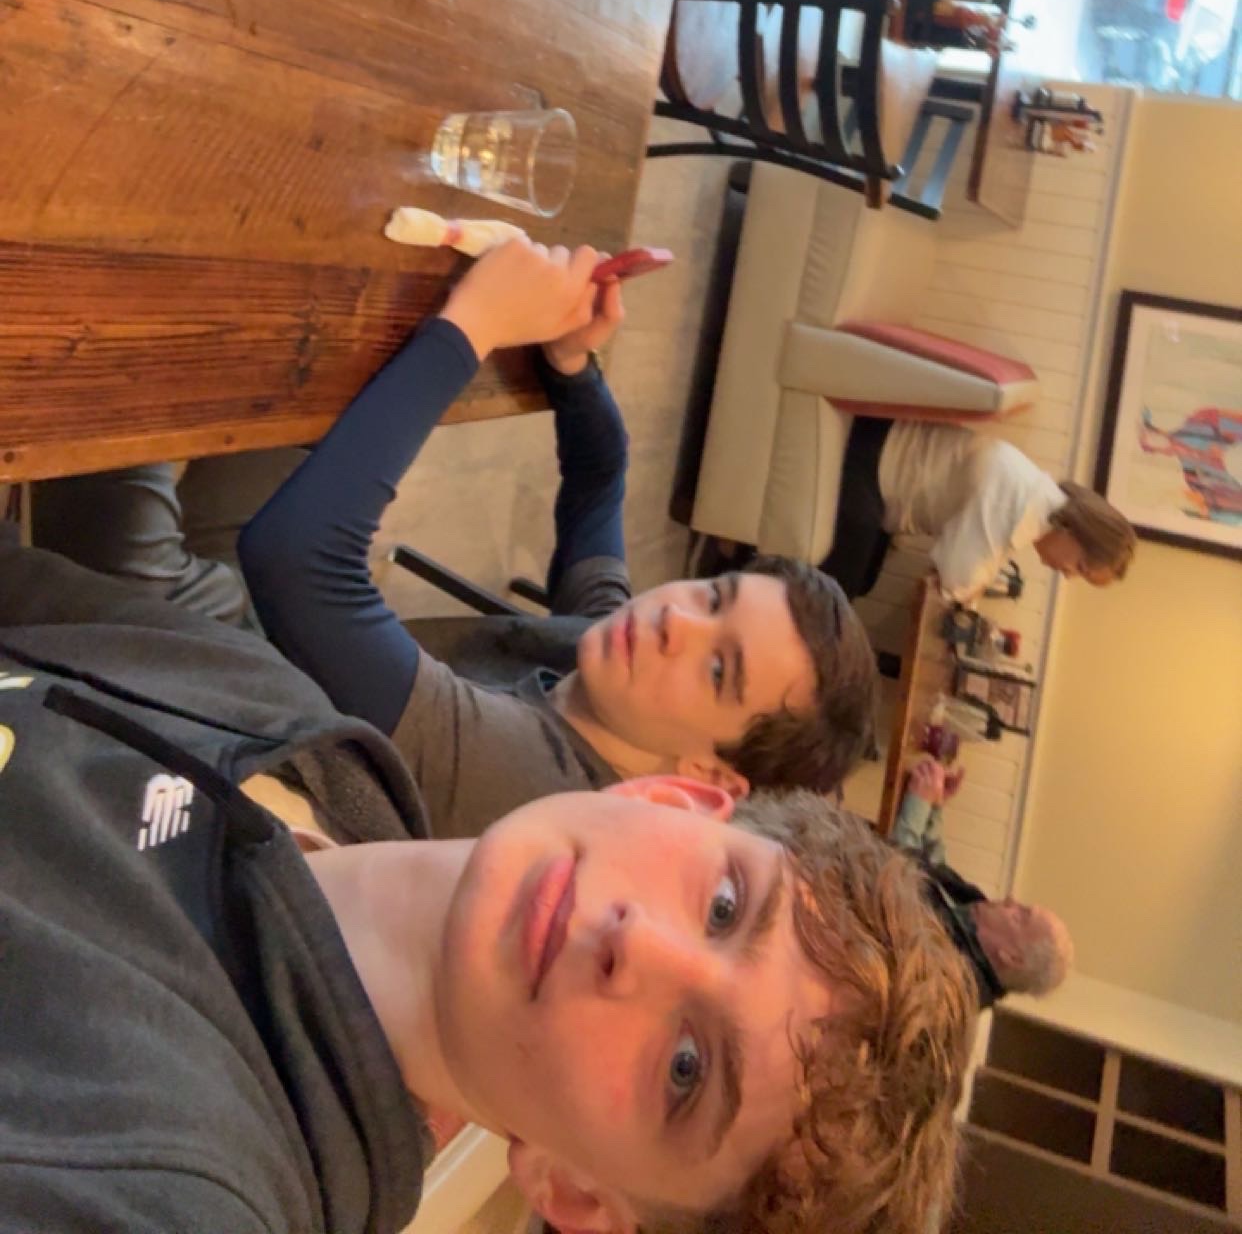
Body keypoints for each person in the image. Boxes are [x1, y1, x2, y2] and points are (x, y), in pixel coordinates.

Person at [0, 535, 975, 1234]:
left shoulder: (184, 1189)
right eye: (724, 907)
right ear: (669, 798)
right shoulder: (294, 724)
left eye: (687, 1071)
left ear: (579, 1195)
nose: (636, 943)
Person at [30, 241, 878, 835]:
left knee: (116, 375)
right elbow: (601, 480)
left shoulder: (526, 788)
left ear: (710, 776)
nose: (676, 621)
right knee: (305, 364)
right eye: (714, 595)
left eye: (719, 668)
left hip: (189, 698)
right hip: (273, 626)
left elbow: (299, 560)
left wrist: (475, 323)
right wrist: (572, 363)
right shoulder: (613, 667)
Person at [817, 416, 1138, 603]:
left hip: (882, 456)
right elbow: (956, 579)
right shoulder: (1019, 506)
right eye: (1080, 566)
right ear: (1075, 531)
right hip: (870, 463)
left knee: (864, 580)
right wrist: (974, 585)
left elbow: (975, 564)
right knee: (834, 600)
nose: (1068, 574)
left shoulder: (1035, 498)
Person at [892, 756, 1073, 1007]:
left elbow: (891, 886)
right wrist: (935, 806)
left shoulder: (949, 978)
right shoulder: (973, 926)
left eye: (1020, 916)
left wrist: (919, 802)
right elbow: (935, 870)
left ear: (1010, 957)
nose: (1010, 899)